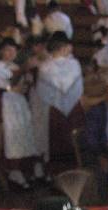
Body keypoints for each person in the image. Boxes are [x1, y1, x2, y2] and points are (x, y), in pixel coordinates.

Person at [0, 37, 44, 189]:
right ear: (1, 52)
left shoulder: (16, 66)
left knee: (25, 134)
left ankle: (29, 169)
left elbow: (25, 84)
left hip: (20, 104)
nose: (11, 53)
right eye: (7, 50)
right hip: (7, 105)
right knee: (12, 137)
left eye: (13, 50)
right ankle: (13, 171)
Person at [36, 31, 85, 163]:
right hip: (73, 108)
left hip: (53, 110)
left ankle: (55, 171)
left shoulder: (44, 66)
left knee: (56, 143)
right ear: (64, 47)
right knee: (74, 143)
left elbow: (42, 93)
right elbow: (78, 89)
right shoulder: (74, 64)